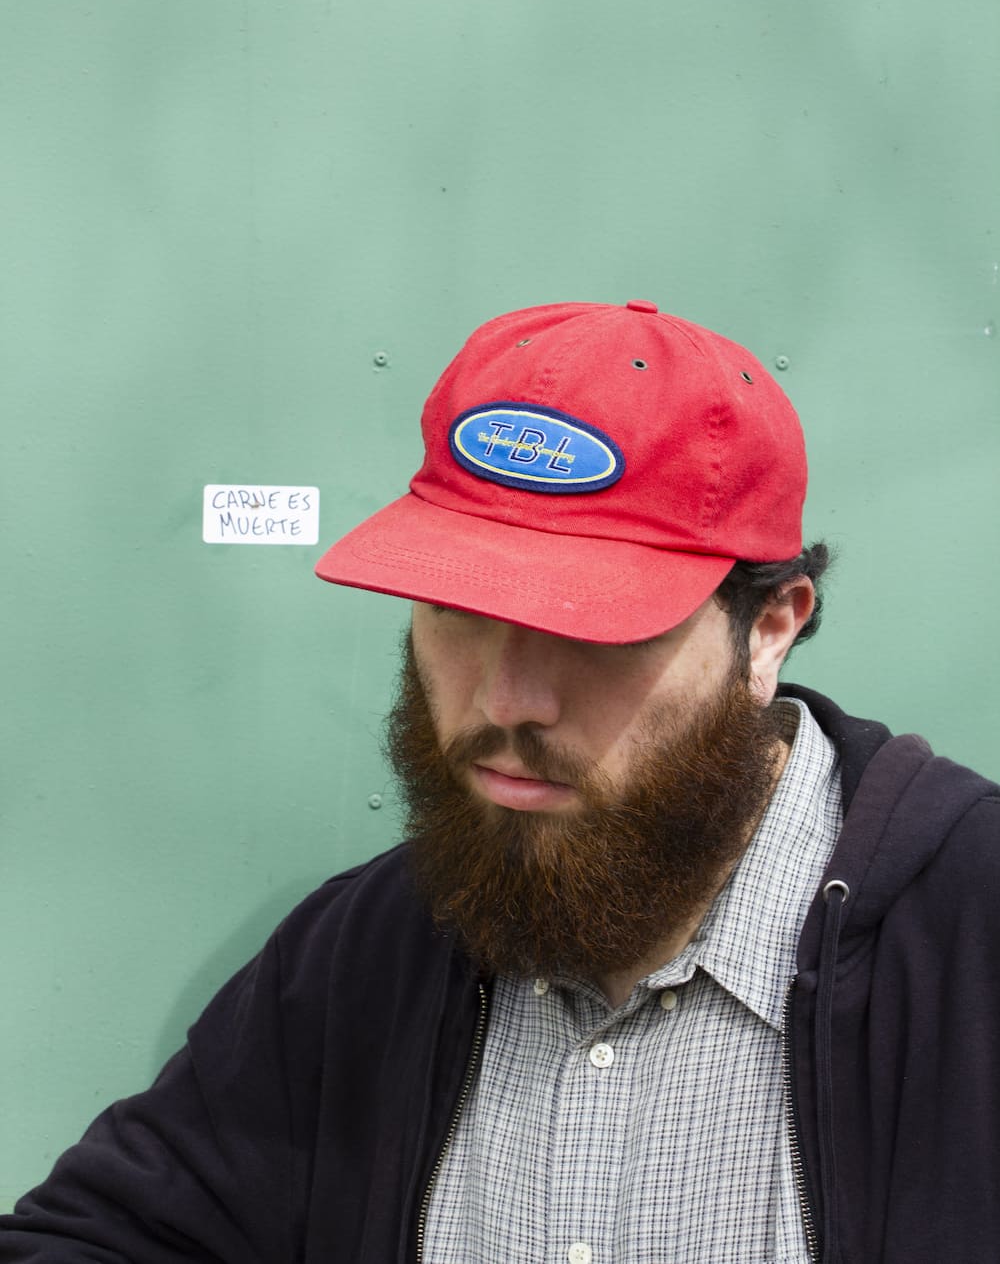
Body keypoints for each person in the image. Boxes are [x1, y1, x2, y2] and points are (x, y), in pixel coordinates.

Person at [2, 298, 999, 1264]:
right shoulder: (368, 951)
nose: (508, 697)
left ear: (768, 627)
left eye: (593, 627)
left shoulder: (966, 936)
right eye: (457, 612)